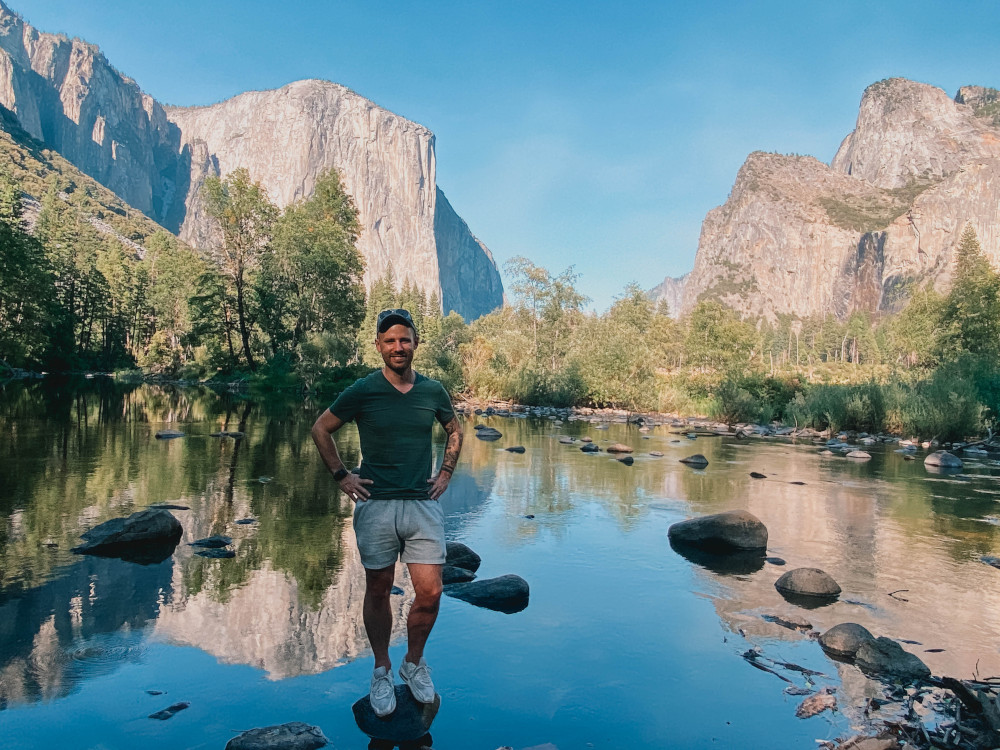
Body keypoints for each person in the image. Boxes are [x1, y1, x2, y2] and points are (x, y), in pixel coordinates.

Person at [311, 308, 463, 717]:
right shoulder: (363, 390)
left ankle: (413, 664)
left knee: (430, 592)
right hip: (376, 506)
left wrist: (446, 472)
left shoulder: (433, 391)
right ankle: (381, 671)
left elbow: (454, 429)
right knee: (378, 590)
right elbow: (321, 428)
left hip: (422, 504)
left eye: (405, 339)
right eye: (390, 340)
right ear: (379, 346)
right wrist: (342, 476)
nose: (399, 346)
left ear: (415, 344)